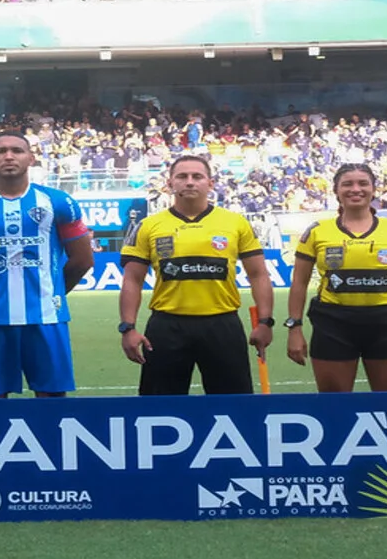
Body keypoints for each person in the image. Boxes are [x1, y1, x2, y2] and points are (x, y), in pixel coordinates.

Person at [0, 132, 95, 398]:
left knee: (51, 400)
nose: (9, 156)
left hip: (47, 318)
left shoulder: (59, 202)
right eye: (0, 151)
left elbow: (83, 260)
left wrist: (53, 293)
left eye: (17, 150)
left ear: (31, 158)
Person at [118, 155, 275, 395]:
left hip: (223, 325)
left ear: (210, 183)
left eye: (197, 176)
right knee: (160, 406)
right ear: (170, 183)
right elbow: (132, 279)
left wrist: (265, 322)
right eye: (182, 176)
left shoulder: (235, 223)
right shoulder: (148, 225)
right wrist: (128, 328)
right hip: (167, 326)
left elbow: (258, 274)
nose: (190, 182)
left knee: (233, 405)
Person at [285, 164, 387, 392]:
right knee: (336, 404)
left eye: (363, 183)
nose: (355, 189)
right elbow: (299, 282)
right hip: (332, 324)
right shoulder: (317, 231)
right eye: (347, 184)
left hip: (386, 324)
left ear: (374, 189)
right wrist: (294, 328)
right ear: (336, 191)